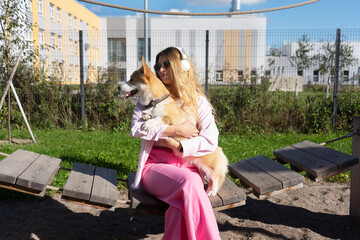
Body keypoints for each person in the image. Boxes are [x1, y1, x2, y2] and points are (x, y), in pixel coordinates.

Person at [130, 47, 221, 240]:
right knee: (189, 184)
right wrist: (176, 132)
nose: (161, 69)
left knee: (183, 202)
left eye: (166, 64)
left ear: (181, 67)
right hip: (155, 168)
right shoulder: (150, 97)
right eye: (158, 65)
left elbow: (211, 140)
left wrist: (180, 146)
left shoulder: (198, 102)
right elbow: (137, 129)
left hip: (189, 168)